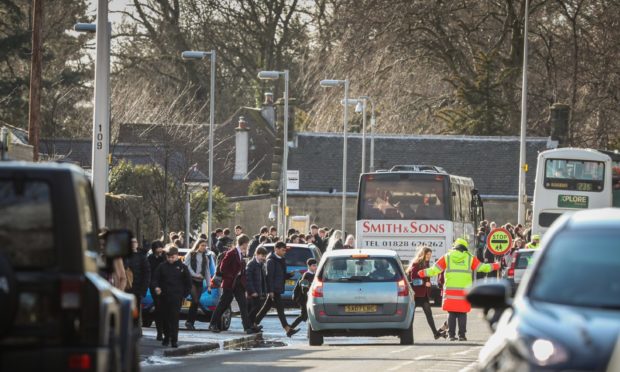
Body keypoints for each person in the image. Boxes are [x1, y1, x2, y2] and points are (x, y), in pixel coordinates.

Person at [418, 238, 500, 341]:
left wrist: (422, 273)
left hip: (450, 291)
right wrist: (496, 265)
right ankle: (462, 335)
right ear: (465, 247)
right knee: (462, 313)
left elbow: (435, 270)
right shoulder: (470, 258)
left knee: (451, 313)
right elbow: (482, 268)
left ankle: (451, 335)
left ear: (455, 246)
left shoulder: (447, 257)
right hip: (464, 291)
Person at [208, 234, 257, 334]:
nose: (247, 246)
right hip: (230, 283)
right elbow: (223, 268)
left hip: (238, 284)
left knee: (243, 305)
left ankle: (247, 327)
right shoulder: (231, 253)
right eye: (246, 244)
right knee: (223, 304)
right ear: (243, 244)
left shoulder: (241, 254)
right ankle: (212, 324)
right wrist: (233, 275)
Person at [254, 241, 299, 336]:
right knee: (280, 309)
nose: (284, 252)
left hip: (278, 288)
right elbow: (269, 277)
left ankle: (254, 323)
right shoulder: (271, 261)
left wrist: (289, 275)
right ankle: (287, 329)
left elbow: (281, 275)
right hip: (274, 289)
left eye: (285, 250)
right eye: (282, 250)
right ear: (276, 249)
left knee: (266, 308)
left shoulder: (281, 259)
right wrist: (270, 291)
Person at [152, 246, 192, 348]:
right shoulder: (162, 266)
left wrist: (184, 294)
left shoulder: (182, 267)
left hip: (176, 297)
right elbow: (155, 279)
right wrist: (157, 287)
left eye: (173, 257)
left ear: (177, 256)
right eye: (169, 257)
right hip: (164, 296)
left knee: (174, 318)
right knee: (165, 318)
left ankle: (174, 340)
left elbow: (188, 282)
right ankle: (166, 337)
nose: (170, 259)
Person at [407, 246, 445, 340]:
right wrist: (425, 283)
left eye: (430, 255)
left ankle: (435, 333)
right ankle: (407, 335)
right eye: (427, 254)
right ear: (423, 254)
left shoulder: (426, 263)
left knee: (429, 314)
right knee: (410, 316)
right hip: (416, 294)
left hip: (424, 294)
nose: (429, 256)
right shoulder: (416, 264)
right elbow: (414, 280)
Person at [124, 237, 151, 335]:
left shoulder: (142, 257)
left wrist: (143, 290)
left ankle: (135, 330)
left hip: (137, 289)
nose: (132, 244)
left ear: (137, 244)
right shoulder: (123, 256)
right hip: (125, 288)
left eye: (134, 242)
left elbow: (146, 273)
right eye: (130, 242)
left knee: (135, 311)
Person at [184, 239, 211, 330]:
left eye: (205, 246)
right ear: (198, 245)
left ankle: (190, 322)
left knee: (195, 303)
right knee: (195, 300)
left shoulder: (206, 257)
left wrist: (209, 285)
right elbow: (186, 266)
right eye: (202, 245)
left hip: (200, 281)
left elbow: (207, 271)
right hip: (191, 280)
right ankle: (189, 322)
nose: (204, 247)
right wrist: (195, 274)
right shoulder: (191, 254)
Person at [289, 258, 317, 334]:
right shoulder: (306, 275)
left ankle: (309, 332)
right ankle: (290, 328)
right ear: (309, 266)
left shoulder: (314, 275)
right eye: (314, 266)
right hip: (304, 299)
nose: (315, 267)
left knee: (307, 315)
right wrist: (307, 298)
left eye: (316, 265)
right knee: (304, 315)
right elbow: (303, 289)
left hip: (309, 298)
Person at [148, 240, 166, 340]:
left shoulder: (165, 258)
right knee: (158, 308)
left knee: (164, 309)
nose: (159, 252)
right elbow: (149, 272)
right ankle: (159, 332)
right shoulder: (150, 258)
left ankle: (165, 329)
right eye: (157, 250)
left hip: (165, 287)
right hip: (155, 286)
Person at [246, 246, 268, 325]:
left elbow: (263, 278)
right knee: (254, 308)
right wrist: (252, 291)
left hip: (259, 291)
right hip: (254, 292)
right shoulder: (251, 264)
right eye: (262, 256)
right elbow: (248, 279)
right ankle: (249, 324)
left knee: (258, 308)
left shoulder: (261, 264)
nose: (263, 258)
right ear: (257, 254)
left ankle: (252, 324)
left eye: (265, 256)